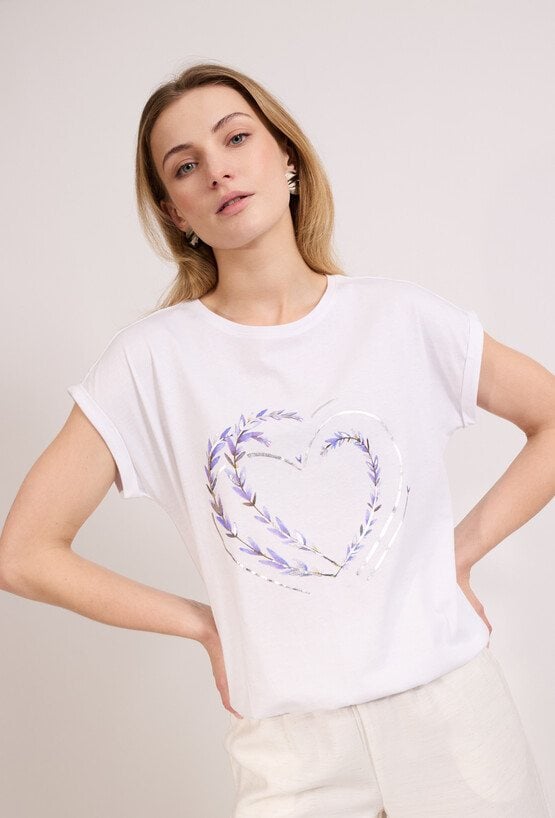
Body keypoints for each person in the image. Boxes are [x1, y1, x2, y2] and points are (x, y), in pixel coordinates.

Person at [0, 61, 553, 818]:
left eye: (236, 139)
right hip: (293, 755)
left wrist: (456, 554)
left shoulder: (399, 319)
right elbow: (24, 554)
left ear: (285, 156)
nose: (217, 171)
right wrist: (202, 625)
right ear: (175, 212)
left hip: (453, 721)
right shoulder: (152, 363)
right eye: (185, 166)